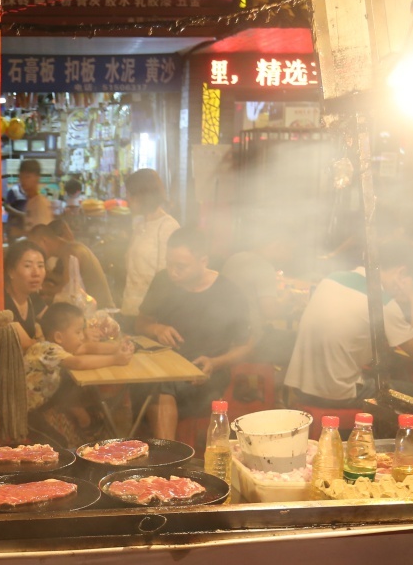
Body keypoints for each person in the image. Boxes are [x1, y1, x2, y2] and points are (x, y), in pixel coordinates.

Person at [136, 229, 254, 440]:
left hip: (205, 376)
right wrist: (157, 329)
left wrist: (215, 362)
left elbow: (245, 346)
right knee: (151, 383)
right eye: (169, 264)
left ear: (203, 261)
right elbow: (141, 322)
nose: (172, 272)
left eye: (180, 266)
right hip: (161, 368)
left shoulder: (228, 292)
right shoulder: (163, 281)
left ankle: (168, 459)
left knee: (163, 386)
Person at [284, 240, 413, 407]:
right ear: (402, 273)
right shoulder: (381, 301)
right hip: (337, 395)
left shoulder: (332, 279)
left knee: (379, 378)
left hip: (300, 388)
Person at [25, 302, 133, 444]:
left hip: (46, 404)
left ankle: (87, 426)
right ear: (59, 337)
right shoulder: (47, 349)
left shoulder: (58, 346)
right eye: (78, 332)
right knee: (60, 443)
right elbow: (79, 363)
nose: (82, 336)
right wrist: (115, 359)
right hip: (30, 413)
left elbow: (87, 348)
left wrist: (117, 347)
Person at [220, 235, 296, 366]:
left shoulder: (234, 258)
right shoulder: (264, 267)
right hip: (252, 342)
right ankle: (279, 384)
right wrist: (287, 301)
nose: (290, 258)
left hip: (226, 337)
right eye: (290, 251)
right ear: (278, 245)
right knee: (302, 343)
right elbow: (270, 312)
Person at [121, 168, 180, 320]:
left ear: (142, 195)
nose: (126, 199)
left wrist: (150, 319)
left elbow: (165, 278)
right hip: (129, 310)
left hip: (150, 316)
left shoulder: (168, 227)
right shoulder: (140, 224)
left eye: (129, 194)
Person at [27, 220, 115, 309]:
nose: (36, 252)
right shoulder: (67, 251)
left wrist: (38, 289)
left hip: (101, 312)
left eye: (35, 246)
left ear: (44, 240)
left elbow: (68, 291)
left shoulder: (72, 252)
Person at [1, 239, 47, 349]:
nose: (36, 273)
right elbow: (27, 345)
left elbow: (56, 323)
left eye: (40, 266)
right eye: (27, 266)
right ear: (11, 271)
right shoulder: (1, 300)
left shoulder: (32, 297)